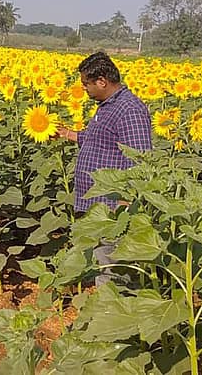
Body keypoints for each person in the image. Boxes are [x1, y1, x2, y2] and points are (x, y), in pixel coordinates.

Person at [57, 51, 152, 286]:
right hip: (97, 203)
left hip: (113, 205)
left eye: (86, 84)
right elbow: (96, 140)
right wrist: (68, 134)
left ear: (102, 81)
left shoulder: (130, 110)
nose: (85, 90)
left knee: (111, 264)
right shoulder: (107, 105)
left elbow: (139, 159)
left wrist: (124, 202)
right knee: (101, 259)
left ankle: (111, 312)